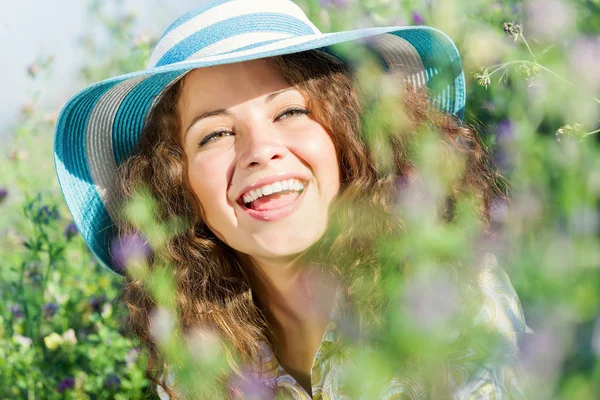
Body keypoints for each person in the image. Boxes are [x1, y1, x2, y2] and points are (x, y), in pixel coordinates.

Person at [53, 0, 530, 398]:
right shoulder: (198, 361)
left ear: (346, 136)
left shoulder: (451, 294)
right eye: (215, 133)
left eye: (290, 112)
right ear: (178, 188)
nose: (260, 152)